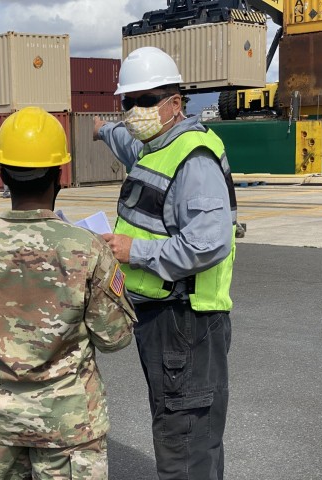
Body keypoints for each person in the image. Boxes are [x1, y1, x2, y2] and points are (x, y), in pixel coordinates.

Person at [0, 106, 136, 479]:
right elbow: (115, 337)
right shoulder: (87, 249)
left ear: (1, 173)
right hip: (68, 426)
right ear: (59, 175)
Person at [93, 47, 238, 480]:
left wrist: (132, 250)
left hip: (186, 320)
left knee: (184, 441)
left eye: (146, 100)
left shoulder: (193, 159)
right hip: (161, 317)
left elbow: (210, 243)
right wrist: (103, 130)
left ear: (175, 103)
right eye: (127, 102)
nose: (135, 111)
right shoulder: (153, 146)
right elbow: (125, 141)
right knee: (179, 426)